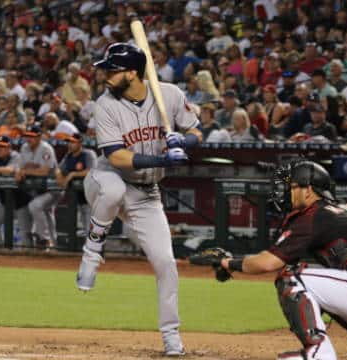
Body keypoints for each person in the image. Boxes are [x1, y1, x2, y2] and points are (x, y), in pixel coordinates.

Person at [205, 161, 347, 360]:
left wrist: (227, 262)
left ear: (308, 190)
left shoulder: (313, 215)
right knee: (324, 290)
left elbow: (267, 263)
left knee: (291, 277)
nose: (287, 191)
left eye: (292, 186)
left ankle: (318, 351)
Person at [76, 43, 202, 356]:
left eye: (112, 70)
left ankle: (171, 336)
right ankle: (93, 250)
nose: (105, 75)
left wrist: (182, 141)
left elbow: (197, 133)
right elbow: (116, 157)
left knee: (166, 264)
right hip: (106, 179)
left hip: (147, 194)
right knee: (114, 190)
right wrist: (163, 160)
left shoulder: (168, 94)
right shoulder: (105, 104)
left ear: (132, 73)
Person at [16, 125, 60, 249]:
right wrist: (19, 171)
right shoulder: (24, 148)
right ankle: (52, 245)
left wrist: (26, 171)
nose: (29, 139)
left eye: (32, 137)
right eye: (27, 137)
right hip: (37, 189)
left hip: (53, 189)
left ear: (39, 137)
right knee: (46, 214)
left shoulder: (46, 149)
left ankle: (44, 239)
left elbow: (45, 171)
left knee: (35, 206)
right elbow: (21, 167)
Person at [55, 133, 97, 232]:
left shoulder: (88, 154)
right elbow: (58, 169)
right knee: (81, 227)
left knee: (91, 228)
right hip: (76, 198)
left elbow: (92, 171)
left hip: (90, 197)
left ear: (80, 143)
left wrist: (73, 174)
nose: (69, 144)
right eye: (68, 142)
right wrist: (59, 175)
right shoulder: (68, 156)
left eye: (73, 142)